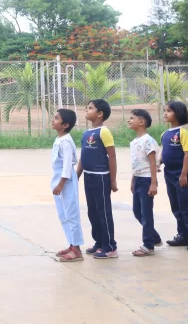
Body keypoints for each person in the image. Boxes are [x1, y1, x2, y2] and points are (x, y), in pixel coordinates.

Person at [76, 99, 118, 259]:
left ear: (100, 113)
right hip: (88, 176)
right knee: (92, 211)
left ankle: (110, 246)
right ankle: (99, 242)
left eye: (90, 108)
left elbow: (112, 156)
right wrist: (76, 175)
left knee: (103, 212)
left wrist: (113, 180)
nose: (86, 110)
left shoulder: (104, 132)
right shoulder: (86, 133)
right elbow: (83, 157)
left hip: (101, 177)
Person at [161, 100, 188, 252]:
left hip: (181, 174)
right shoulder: (165, 133)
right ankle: (183, 234)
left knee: (185, 206)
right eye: (164, 110)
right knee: (175, 206)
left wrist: (184, 173)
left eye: (169, 111)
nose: (165, 113)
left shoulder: (183, 133)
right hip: (169, 173)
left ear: (178, 114)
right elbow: (163, 151)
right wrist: (159, 162)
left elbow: (187, 154)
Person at [50, 108, 84, 262]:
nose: (53, 120)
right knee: (63, 214)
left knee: (71, 214)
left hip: (66, 181)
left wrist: (61, 183)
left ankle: (76, 250)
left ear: (65, 125)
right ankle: (71, 244)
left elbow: (67, 164)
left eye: (56, 118)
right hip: (58, 179)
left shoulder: (66, 142)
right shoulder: (59, 139)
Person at [127, 108, 162, 257]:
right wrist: (133, 179)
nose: (129, 120)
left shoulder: (147, 140)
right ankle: (154, 237)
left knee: (146, 213)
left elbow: (152, 163)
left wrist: (153, 183)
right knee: (137, 211)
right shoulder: (134, 142)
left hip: (147, 179)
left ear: (141, 122)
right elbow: (136, 164)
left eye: (132, 118)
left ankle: (148, 245)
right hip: (138, 179)